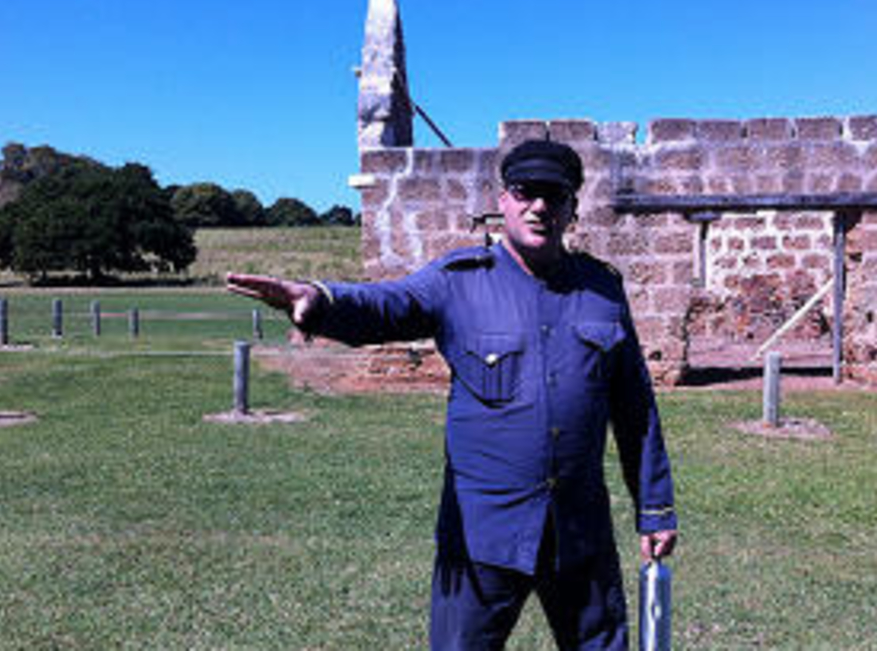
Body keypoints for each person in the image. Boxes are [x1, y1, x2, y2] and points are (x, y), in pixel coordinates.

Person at [227, 139, 678, 650]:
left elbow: (635, 407)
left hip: (579, 531)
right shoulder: (458, 283)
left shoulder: (602, 289)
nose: (539, 207)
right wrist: (321, 300)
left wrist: (655, 507)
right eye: (525, 192)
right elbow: (387, 304)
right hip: (481, 534)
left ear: (573, 206)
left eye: (554, 195)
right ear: (503, 200)